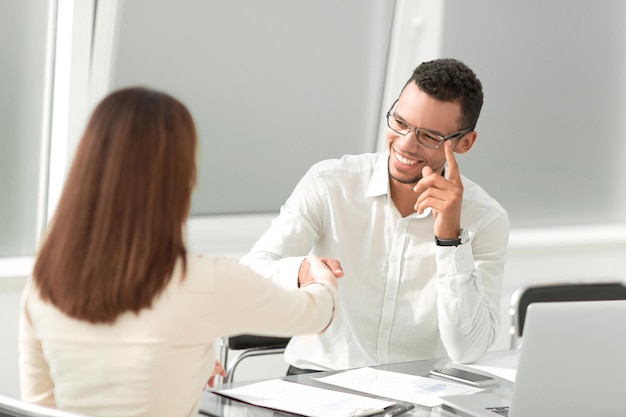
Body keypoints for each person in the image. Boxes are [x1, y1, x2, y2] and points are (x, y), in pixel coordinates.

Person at [18, 87, 339, 417]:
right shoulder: (205, 280)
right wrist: (320, 278)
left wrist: (189, 362)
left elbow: (40, 405)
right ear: (179, 179)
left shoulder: (43, 285)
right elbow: (313, 315)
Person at [240, 58, 509, 374]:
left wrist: (450, 240)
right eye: (400, 122)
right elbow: (249, 273)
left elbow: (468, 349)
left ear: (464, 143)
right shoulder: (330, 183)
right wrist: (300, 270)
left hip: (417, 396)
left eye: (429, 136)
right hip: (319, 385)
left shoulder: (486, 219)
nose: (406, 144)